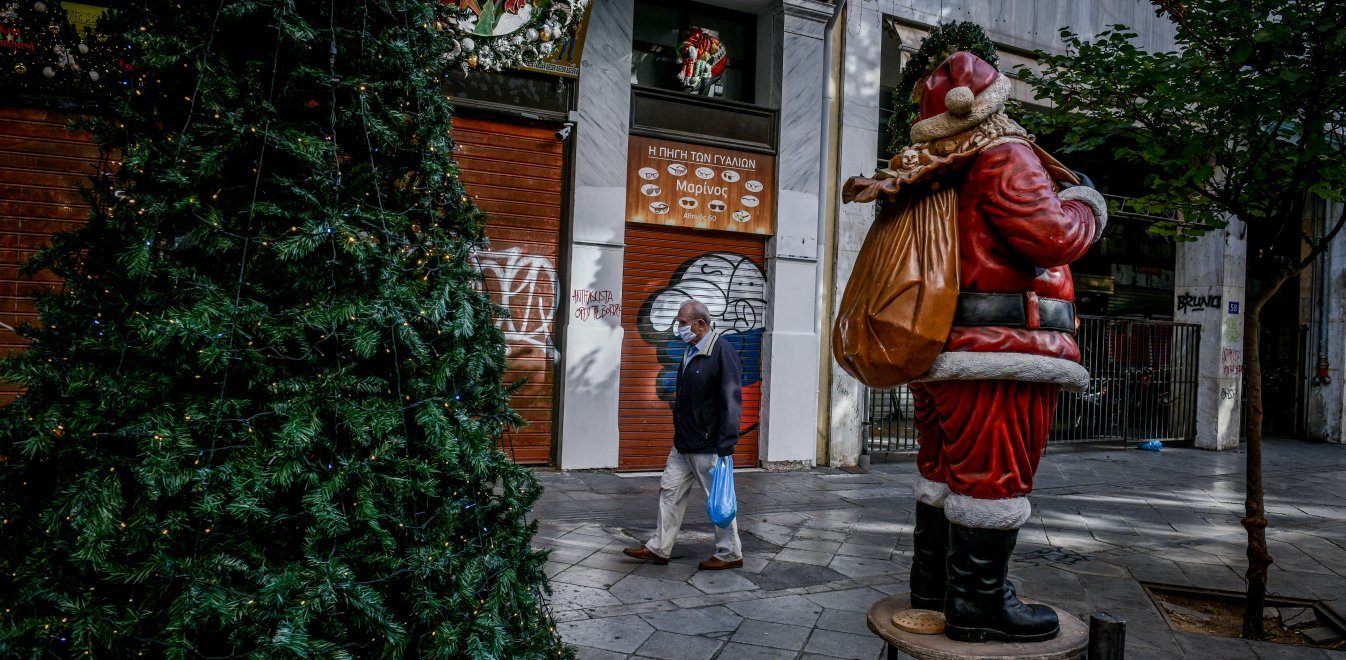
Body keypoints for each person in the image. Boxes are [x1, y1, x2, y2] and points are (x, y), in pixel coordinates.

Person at [843, 50, 1107, 643]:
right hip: (1001, 352)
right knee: (993, 479)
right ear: (992, 105)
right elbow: (1053, 236)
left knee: (943, 472)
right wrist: (1087, 204)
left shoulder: (935, 168)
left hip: (939, 349)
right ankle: (979, 606)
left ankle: (933, 587)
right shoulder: (1004, 156)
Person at [622, 299, 744, 570]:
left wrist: (726, 442)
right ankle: (659, 548)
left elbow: (731, 400)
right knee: (669, 491)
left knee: (718, 499)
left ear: (700, 324)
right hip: (683, 442)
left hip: (708, 443)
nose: (678, 328)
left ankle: (730, 553)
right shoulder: (691, 350)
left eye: (682, 322)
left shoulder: (722, 352)